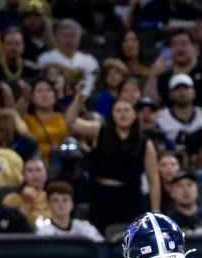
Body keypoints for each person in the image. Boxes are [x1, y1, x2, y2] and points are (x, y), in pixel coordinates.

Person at [73, 99, 160, 232]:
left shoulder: (145, 143)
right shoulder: (98, 130)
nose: (122, 114)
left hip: (130, 199)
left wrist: (155, 211)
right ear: (111, 114)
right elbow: (71, 122)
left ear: (135, 114)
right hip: (100, 197)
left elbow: (153, 179)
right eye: (118, 110)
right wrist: (77, 97)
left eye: (126, 110)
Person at [37, 19, 98, 99]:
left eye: (72, 35)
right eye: (64, 36)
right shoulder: (46, 59)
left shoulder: (89, 60)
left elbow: (90, 85)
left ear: (79, 37)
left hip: (82, 100)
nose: (68, 40)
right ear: (56, 37)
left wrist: (81, 98)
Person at [35, 182, 102, 240]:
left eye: (65, 200)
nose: (60, 204)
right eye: (55, 200)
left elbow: (101, 249)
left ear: (72, 204)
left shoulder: (86, 228)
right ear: (49, 204)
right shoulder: (43, 234)